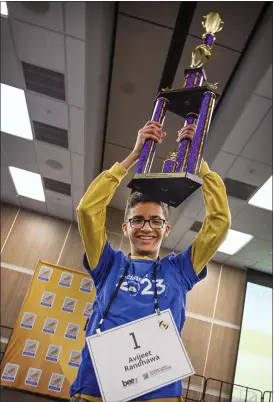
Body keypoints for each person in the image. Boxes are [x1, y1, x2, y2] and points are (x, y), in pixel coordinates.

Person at [70, 121, 231, 402]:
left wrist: (200, 164)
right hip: (96, 389)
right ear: (125, 227)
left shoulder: (180, 269)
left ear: (167, 229)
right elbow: (87, 209)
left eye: (156, 220)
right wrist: (132, 157)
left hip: (159, 394)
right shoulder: (107, 263)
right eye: (138, 220)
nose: (146, 227)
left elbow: (219, 222)